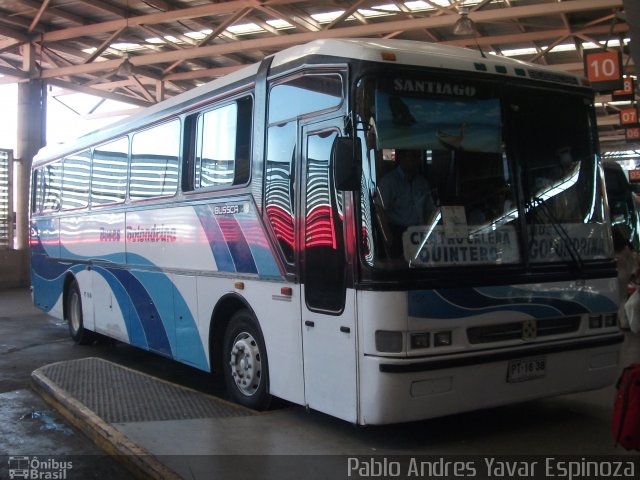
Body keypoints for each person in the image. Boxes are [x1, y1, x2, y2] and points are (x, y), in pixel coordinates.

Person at [377, 149, 435, 256]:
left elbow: (429, 210)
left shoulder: (422, 183)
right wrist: (388, 238)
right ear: (401, 157)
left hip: (420, 233)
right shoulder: (389, 181)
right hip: (398, 233)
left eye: (416, 156)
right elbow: (378, 209)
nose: (413, 160)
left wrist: (429, 234)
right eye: (410, 155)